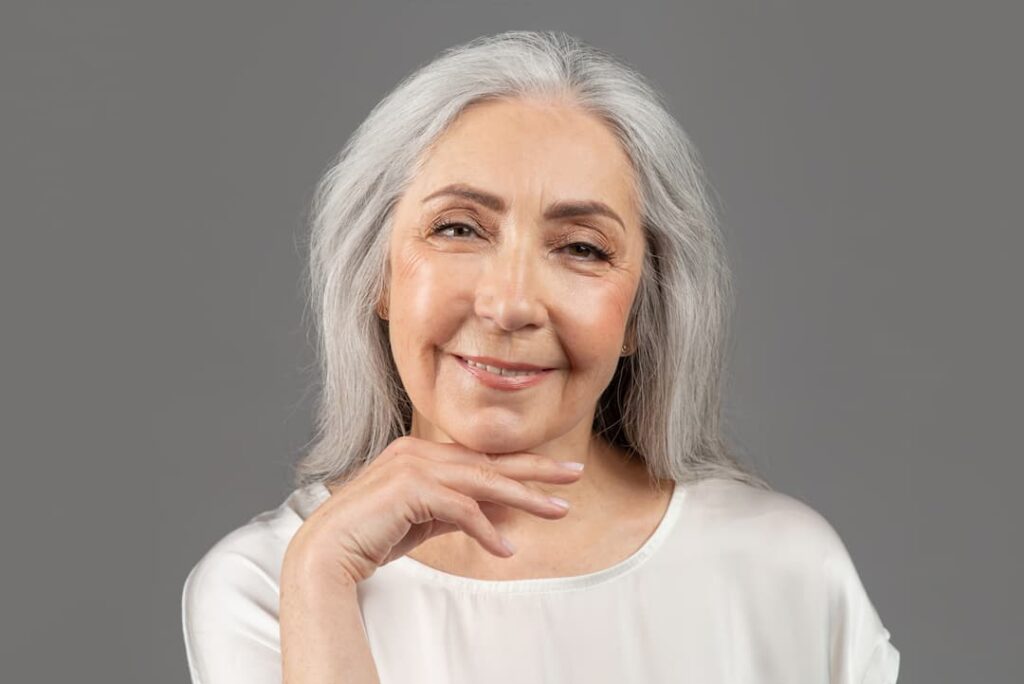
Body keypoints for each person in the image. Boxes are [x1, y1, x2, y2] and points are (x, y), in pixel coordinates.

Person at [181, 30, 900, 683]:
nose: (509, 304)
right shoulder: (268, 585)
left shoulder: (786, 572)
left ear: (640, 315)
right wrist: (320, 578)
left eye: (583, 248)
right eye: (459, 229)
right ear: (379, 277)